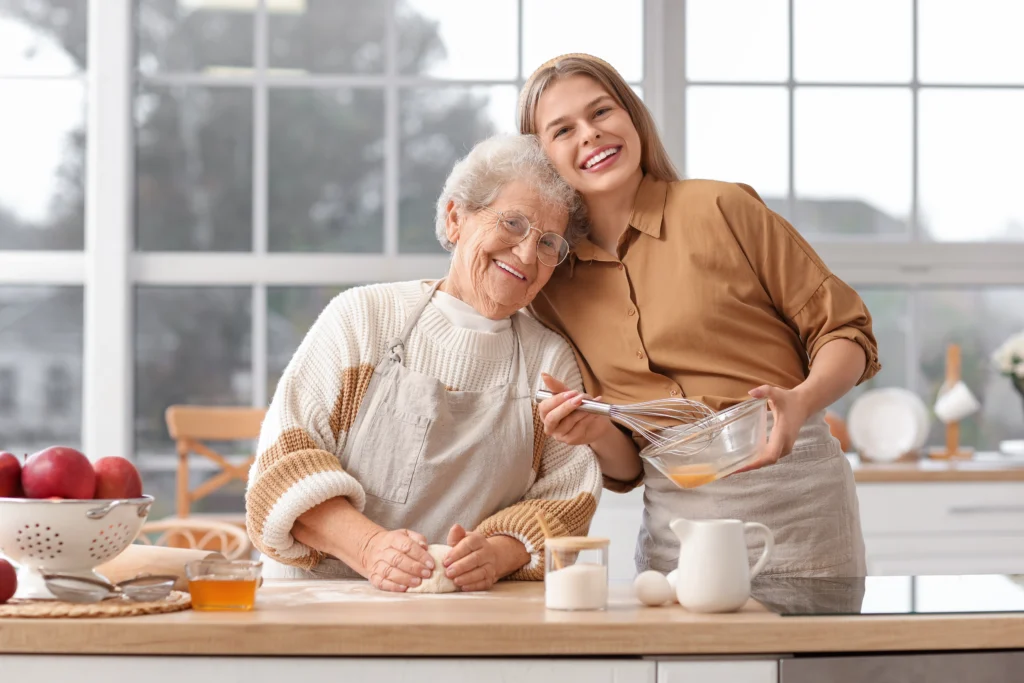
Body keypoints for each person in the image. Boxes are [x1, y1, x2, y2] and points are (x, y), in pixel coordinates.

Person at [521, 54, 880, 578]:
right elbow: (628, 468)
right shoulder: (553, 288)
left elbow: (846, 331)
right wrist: (590, 431)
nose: (591, 135)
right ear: (543, 159)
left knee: (808, 664)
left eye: (602, 112)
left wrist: (802, 401)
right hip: (677, 534)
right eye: (563, 130)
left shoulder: (721, 208)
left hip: (798, 509)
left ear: (633, 116)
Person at [245, 134, 602, 592]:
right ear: (456, 218)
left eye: (549, 243)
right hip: (321, 602)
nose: (528, 254)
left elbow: (567, 498)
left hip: (467, 614)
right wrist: (372, 548)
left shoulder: (547, 359)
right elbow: (283, 464)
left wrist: (497, 553)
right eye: (512, 223)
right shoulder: (363, 318)